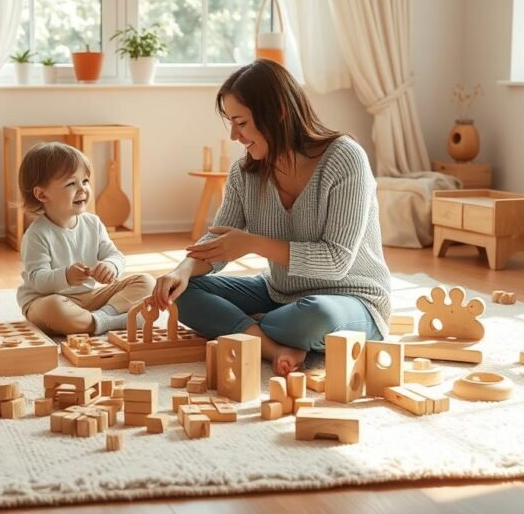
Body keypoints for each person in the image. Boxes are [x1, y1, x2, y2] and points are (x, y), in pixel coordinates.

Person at [152, 59, 391, 376]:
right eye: (231, 123)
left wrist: (252, 244)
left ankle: (254, 326)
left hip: (351, 298)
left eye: (241, 122)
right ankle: (275, 344)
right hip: (280, 292)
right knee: (182, 295)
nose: (235, 135)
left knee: (314, 317)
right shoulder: (244, 172)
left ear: (277, 112)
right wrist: (181, 270)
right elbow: (220, 240)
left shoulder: (345, 158)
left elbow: (336, 262)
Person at [17, 142, 154, 335]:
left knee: (147, 282)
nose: (83, 189)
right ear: (42, 194)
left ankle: (102, 318)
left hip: (90, 298)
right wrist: (66, 276)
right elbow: (37, 279)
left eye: (86, 181)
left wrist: (110, 266)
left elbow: (116, 255)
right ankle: (114, 321)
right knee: (53, 308)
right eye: (71, 183)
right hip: (47, 300)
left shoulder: (93, 223)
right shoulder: (36, 234)